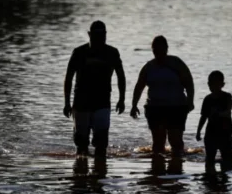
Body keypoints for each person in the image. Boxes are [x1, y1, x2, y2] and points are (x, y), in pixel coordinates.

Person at [64, 21, 126, 158]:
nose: (99, 39)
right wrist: (67, 102)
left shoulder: (112, 53)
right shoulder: (79, 52)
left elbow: (121, 76)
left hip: (102, 102)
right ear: (89, 35)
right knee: (81, 143)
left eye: (102, 35)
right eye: (96, 36)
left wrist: (122, 100)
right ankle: (80, 174)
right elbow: (68, 78)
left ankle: (99, 176)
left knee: (101, 143)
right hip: (81, 103)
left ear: (106, 35)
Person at [131, 35, 194, 158]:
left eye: (161, 50)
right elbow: (139, 87)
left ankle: (176, 169)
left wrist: (190, 101)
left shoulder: (177, 63)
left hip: (177, 107)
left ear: (166, 49)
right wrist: (134, 105)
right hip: (155, 108)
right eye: (155, 50)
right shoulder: (149, 67)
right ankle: (157, 171)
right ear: (152, 50)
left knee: (175, 141)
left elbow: (189, 83)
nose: (158, 53)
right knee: (158, 143)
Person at [196, 71, 232, 173]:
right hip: (211, 133)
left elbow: (228, 110)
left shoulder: (227, 97)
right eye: (210, 83)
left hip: (225, 133)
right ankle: (209, 179)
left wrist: (218, 113)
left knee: (228, 160)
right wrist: (198, 131)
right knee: (209, 159)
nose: (212, 86)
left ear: (222, 85)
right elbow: (203, 116)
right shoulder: (207, 99)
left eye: (215, 83)